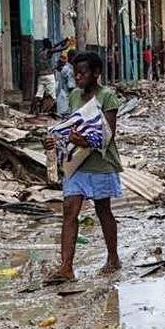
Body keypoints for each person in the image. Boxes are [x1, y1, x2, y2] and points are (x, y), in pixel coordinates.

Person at [43, 52, 123, 282]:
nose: (77, 77)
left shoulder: (107, 97)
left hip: (100, 162)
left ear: (96, 73)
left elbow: (108, 135)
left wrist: (86, 141)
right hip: (76, 162)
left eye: (83, 73)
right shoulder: (74, 96)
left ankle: (113, 257)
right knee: (69, 210)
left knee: (103, 209)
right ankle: (66, 267)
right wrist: (54, 139)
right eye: (76, 73)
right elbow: (69, 126)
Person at [56, 50, 77, 117]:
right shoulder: (69, 70)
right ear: (72, 57)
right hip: (66, 101)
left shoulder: (66, 68)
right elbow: (71, 87)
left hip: (62, 99)